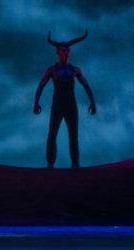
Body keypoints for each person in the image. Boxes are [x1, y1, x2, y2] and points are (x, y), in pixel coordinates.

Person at [33, 30, 96, 168]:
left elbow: (86, 85)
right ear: (58, 52)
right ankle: (50, 164)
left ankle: (75, 164)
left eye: (68, 50)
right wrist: (35, 103)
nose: (66, 52)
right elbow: (41, 86)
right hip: (57, 105)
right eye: (63, 50)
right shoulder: (52, 70)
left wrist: (93, 103)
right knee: (52, 135)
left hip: (71, 106)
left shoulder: (75, 70)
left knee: (73, 136)